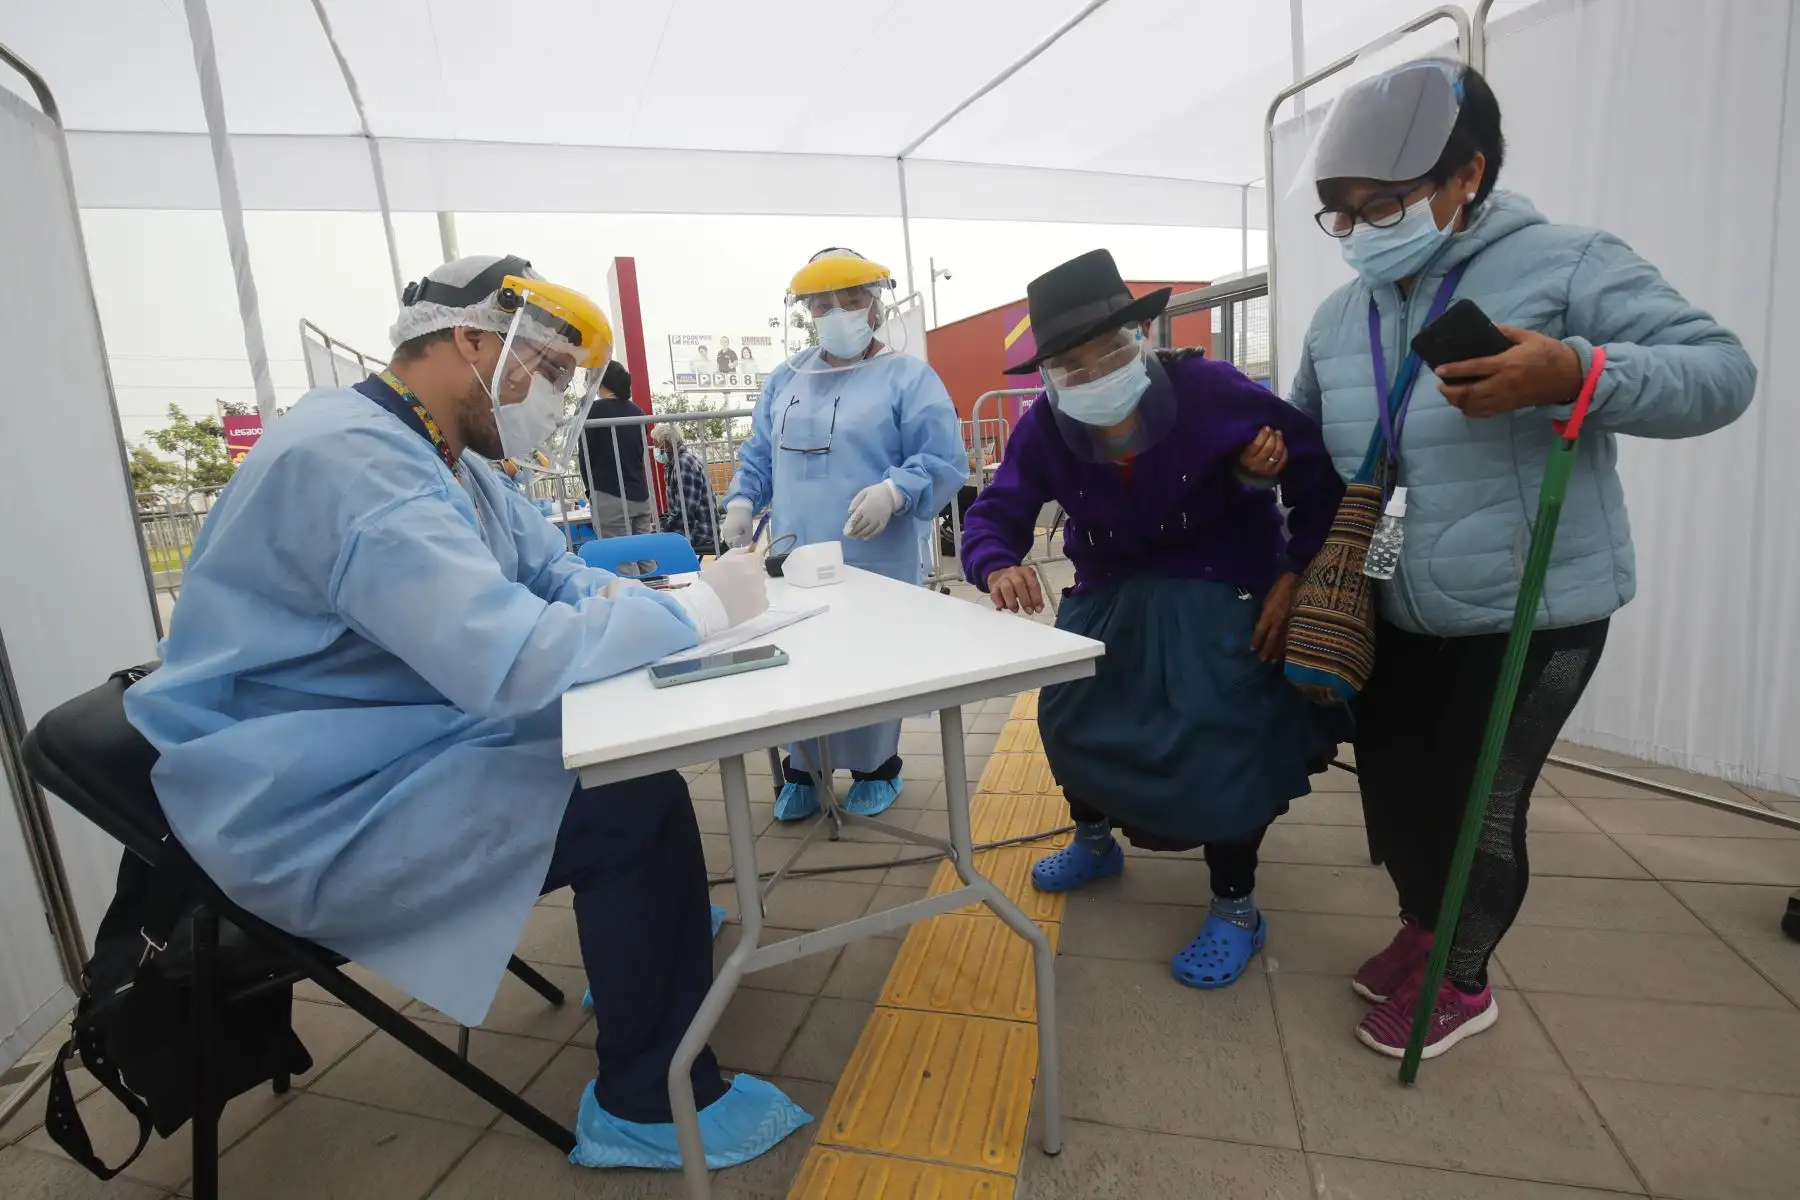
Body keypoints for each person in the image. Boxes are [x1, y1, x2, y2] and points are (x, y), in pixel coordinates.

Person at [123, 255, 810, 1170]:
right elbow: (511, 659)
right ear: (475, 342)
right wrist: (698, 616)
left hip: (375, 747)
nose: (548, 397)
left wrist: (645, 599)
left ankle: (648, 958)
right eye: (547, 370)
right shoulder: (352, 463)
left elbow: (548, 572)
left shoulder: (435, 452)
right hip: (301, 802)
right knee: (630, 805)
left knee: (627, 774)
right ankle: (646, 1101)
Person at [1292, 60, 1756, 1058]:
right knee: (1398, 791)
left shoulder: (1569, 262)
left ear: (1468, 175)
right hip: (1393, 599)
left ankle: (1462, 979)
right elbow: (1303, 445)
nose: (1364, 228)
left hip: (1532, 607)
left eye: (1385, 204)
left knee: (1480, 805)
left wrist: (1577, 371)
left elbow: (1723, 372)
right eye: (1344, 212)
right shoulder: (1341, 315)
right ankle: (1425, 926)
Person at [962, 249, 1348, 990]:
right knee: (1070, 715)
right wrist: (996, 563)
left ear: (1141, 336)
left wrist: (1295, 572)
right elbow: (995, 511)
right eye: (1070, 364)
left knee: (1221, 734)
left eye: (1109, 350)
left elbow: (1316, 479)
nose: (1093, 373)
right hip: (1108, 590)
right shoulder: (1045, 426)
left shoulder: (1213, 391)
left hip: (1218, 586)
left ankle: (1236, 905)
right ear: (1048, 375)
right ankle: (1094, 839)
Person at [723, 248, 966, 819]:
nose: (837, 312)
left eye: (851, 299)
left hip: (873, 553)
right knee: (800, 657)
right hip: (795, 554)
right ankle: (802, 770)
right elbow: (761, 451)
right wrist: (741, 499)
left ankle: (877, 767)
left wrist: (896, 491)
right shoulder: (787, 378)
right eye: (822, 304)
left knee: (869, 659)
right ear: (806, 312)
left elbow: (941, 455)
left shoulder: (908, 376)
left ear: (875, 304)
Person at [578, 361, 657, 573]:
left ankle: (634, 595)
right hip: (639, 493)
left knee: (622, 561)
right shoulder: (637, 412)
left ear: (599, 380)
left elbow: (586, 456)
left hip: (609, 494)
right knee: (646, 557)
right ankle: (659, 588)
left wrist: (590, 491)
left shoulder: (591, 411)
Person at [652, 422, 720, 556]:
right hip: (689, 528)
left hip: (700, 531)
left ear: (666, 445)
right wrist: (661, 523)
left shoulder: (684, 464)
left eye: (656, 444)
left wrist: (663, 527)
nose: (655, 448)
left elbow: (685, 511)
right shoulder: (672, 464)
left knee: (652, 545)